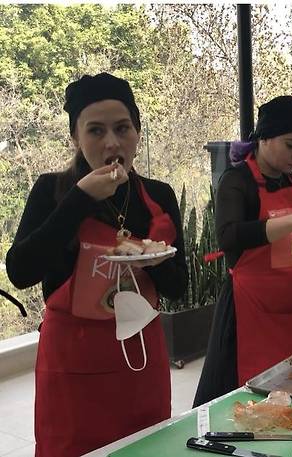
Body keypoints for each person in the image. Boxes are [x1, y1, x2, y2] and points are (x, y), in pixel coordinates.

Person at [5, 73, 188, 456]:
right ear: (75, 138)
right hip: (73, 361)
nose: (112, 142)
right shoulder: (51, 190)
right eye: (95, 131)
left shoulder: (158, 195)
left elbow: (177, 287)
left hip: (141, 358)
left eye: (122, 128)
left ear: (137, 132)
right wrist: (79, 199)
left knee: (147, 448)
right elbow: (21, 271)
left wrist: (146, 256)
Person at [193, 96, 292, 407]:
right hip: (251, 314)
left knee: (291, 397)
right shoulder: (236, 180)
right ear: (264, 137)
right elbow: (229, 236)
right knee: (248, 405)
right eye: (290, 145)